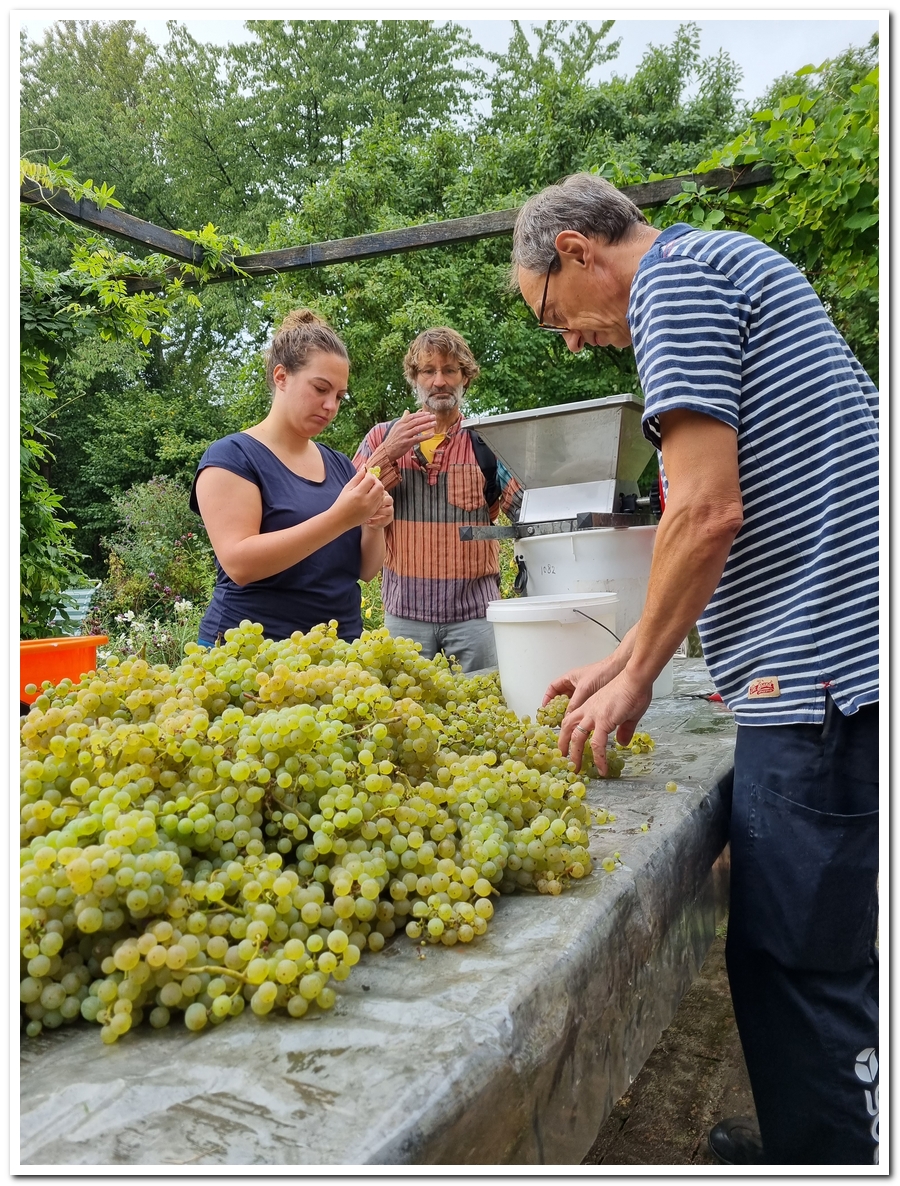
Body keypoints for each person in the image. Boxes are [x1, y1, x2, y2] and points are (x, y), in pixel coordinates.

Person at [511, 173, 879, 1167]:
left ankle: (836, 1157)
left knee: (804, 964)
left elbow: (707, 511)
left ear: (577, 250)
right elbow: (713, 513)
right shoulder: (724, 262)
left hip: (820, 676)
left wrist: (638, 680)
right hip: (839, 660)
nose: (568, 339)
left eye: (551, 313)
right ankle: (811, 1141)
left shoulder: (670, 286)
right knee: (789, 950)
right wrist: (624, 654)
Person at [190, 309, 393, 645]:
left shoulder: (340, 465)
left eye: (339, 396)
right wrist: (341, 518)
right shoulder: (232, 457)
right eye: (320, 389)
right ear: (281, 376)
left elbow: (365, 570)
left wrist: (373, 525)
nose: (330, 406)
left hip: (338, 654)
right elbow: (240, 564)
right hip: (253, 655)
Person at [352, 327, 521, 672]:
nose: (439, 381)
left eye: (450, 370)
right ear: (414, 379)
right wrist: (388, 452)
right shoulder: (381, 437)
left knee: (483, 701)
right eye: (428, 371)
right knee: (405, 704)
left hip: (476, 617)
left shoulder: (487, 441)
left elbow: (526, 508)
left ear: (465, 377)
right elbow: (349, 504)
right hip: (404, 617)